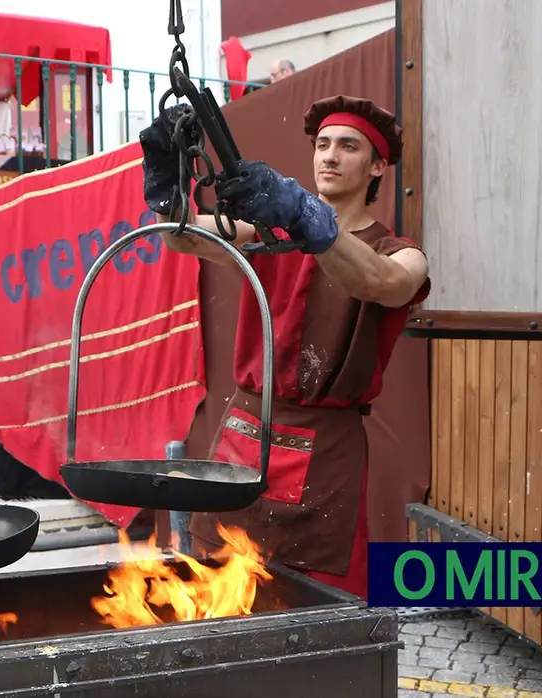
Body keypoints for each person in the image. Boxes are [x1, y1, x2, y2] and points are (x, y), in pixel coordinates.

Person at [139, 95, 431, 600]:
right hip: (245, 433)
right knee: (214, 589)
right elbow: (181, 237)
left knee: (317, 604)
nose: (330, 156)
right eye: (322, 145)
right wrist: (169, 189)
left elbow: (378, 282)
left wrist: (306, 218)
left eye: (348, 146)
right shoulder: (270, 234)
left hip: (326, 451)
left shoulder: (401, 255)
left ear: (378, 165)